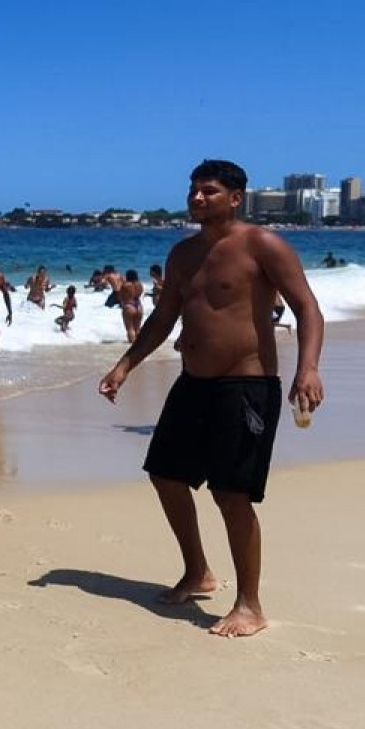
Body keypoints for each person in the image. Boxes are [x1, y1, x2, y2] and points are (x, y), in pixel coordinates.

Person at [97, 160, 326, 639]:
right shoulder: (182, 255)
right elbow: (162, 320)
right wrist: (123, 366)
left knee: (231, 493)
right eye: (194, 191)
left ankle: (250, 605)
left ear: (235, 198)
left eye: (209, 191)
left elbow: (307, 308)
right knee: (165, 474)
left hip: (246, 385)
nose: (197, 198)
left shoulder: (262, 245)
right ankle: (198, 572)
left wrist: (308, 368)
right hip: (193, 382)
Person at [116, 269, 145, 342]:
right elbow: (140, 294)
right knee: (137, 328)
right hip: (138, 306)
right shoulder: (140, 284)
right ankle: (138, 344)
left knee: (130, 328)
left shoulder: (125, 285)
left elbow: (119, 297)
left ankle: (131, 345)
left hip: (129, 306)